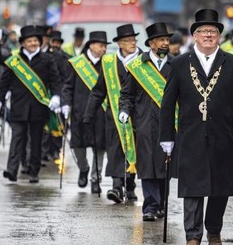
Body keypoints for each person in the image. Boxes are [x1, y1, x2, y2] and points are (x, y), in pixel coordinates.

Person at [159, 9, 233, 245]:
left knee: (220, 188)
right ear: (195, 36)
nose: (208, 35)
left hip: (223, 135)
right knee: (192, 186)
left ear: (219, 36)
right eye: (203, 31)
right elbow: (167, 103)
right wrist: (166, 136)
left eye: (213, 31)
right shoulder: (180, 63)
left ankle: (213, 232)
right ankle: (192, 236)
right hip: (190, 136)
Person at [0, 25, 61, 183]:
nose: (33, 43)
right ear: (23, 43)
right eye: (29, 41)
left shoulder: (47, 59)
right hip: (19, 106)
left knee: (36, 141)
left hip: (38, 107)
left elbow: (55, 81)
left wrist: (56, 97)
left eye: (35, 40)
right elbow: (4, 82)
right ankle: (12, 170)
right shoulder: (15, 60)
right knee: (17, 138)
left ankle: (33, 171)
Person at [119, 22, 174, 221]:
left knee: (164, 166)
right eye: (161, 40)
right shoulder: (136, 67)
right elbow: (126, 94)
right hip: (144, 124)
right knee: (147, 165)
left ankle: (161, 204)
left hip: (169, 124)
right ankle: (150, 206)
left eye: (167, 40)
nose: (166, 43)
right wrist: (124, 110)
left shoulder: (177, 64)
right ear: (151, 43)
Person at [84, 24, 141, 201]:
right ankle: (117, 187)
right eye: (128, 41)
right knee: (115, 150)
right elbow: (99, 90)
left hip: (138, 115)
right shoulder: (108, 62)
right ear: (120, 44)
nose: (132, 43)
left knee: (133, 150)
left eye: (134, 40)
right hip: (114, 115)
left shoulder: (142, 59)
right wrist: (89, 113)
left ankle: (130, 185)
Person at [62, 31, 109, 193]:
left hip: (101, 113)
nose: (104, 49)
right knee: (77, 145)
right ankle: (83, 168)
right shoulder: (76, 63)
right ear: (91, 45)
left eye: (105, 46)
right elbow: (68, 87)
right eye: (101, 46)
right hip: (79, 113)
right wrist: (66, 104)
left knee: (100, 148)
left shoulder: (108, 64)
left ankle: (96, 179)